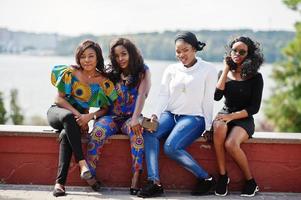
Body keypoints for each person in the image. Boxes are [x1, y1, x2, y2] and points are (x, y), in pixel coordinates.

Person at [138, 31, 218, 198]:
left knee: (171, 147)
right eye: (178, 51)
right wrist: (155, 115)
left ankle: (207, 179)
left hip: (194, 118)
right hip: (170, 114)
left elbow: (208, 101)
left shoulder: (209, 69)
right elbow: (164, 95)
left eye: (185, 50)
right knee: (149, 133)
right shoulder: (171, 69)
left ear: (195, 49)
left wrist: (209, 127)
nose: (181, 54)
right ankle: (154, 182)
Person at [47, 40, 117, 197]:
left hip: (76, 122)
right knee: (68, 117)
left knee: (66, 135)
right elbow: (59, 99)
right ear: (78, 58)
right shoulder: (71, 72)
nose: (86, 60)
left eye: (90, 56)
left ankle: (60, 184)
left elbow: (105, 108)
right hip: (58, 113)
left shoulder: (102, 81)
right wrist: (79, 115)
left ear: (97, 57)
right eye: (82, 56)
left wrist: (90, 116)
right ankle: (83, 164)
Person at [87, 38, 151, 195]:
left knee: (137, 133)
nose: (120, 58)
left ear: (131, 53)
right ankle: (90, 174)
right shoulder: (111, 72)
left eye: (124, 54)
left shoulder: (142, 71)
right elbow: (92, 83)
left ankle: (136, 175)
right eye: (116, 56)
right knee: (98, 131)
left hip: (131, 116)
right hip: (111, 117)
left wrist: (136, 118)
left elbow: (142, 94)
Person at [213, 36, 264, 197]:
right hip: (225, 113)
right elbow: (217, 96)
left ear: (249, 55)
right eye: (234, 50)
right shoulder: (224, 73)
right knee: (220, 127)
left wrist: (232, 117)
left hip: (244, 118)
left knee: (231, 144)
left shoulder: (256, 77)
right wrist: (226, 69)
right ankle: (222, 176)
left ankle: (250, 181)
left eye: (242, 52)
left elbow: (254, 108)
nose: (237, 54)